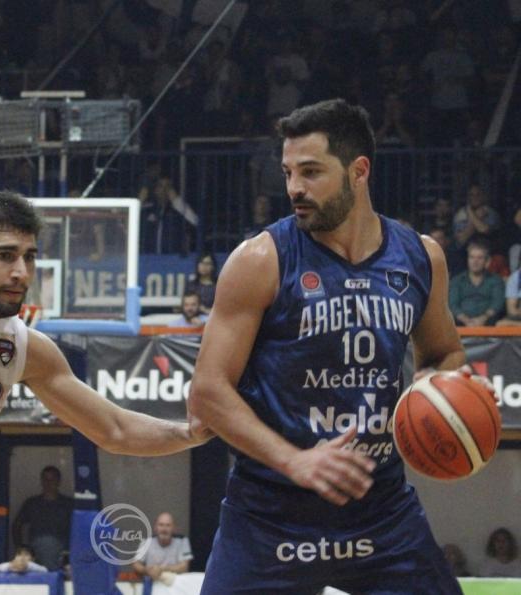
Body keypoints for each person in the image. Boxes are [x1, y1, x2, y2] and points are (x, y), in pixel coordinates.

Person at [188, 99, 472, 594]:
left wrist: (435, 388)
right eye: (288, 173)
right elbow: (208, 392)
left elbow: (444, 353)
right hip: (269, 516)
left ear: (358, 171)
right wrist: (294, 460)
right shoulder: (260, 260)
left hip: (381, 512)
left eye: (311, 171)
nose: (294, 188)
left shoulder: (420, 257)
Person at [0, 190, 209, 595]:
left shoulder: (24, 348)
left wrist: (191, 432)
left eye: (30, 257)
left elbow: (115, 430)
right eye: (5, 255)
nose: (21, 272)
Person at [12, 466, 73, 570]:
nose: (48, 483)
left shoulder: (68, 504)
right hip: (36, 559)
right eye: (45, 479)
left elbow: (79, 530)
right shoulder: (32, 503)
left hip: (63, 558)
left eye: (52, 479)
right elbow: (16, 525)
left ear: (59, 481)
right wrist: (21, 550)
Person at [449, 239, 505, 326]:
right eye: (472, 257)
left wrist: (482, 319)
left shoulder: (496, 280)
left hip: (490, 325)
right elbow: (453, 304)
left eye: (480, 258)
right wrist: (467, 321)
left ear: (487, 261)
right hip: (460, 325)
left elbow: (497, 303)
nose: (475, 261)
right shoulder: (457, 280)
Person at [132, 512, 193, 584]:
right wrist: (147, 570)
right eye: (161, 525)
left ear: (174, 528)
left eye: (168, 525)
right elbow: (135, 564)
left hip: (175, 585)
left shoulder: (182, 541)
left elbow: (184, 567)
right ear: (155, 527)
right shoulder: (146, 542)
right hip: (151, 583)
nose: (164, 529)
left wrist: (161, 569)